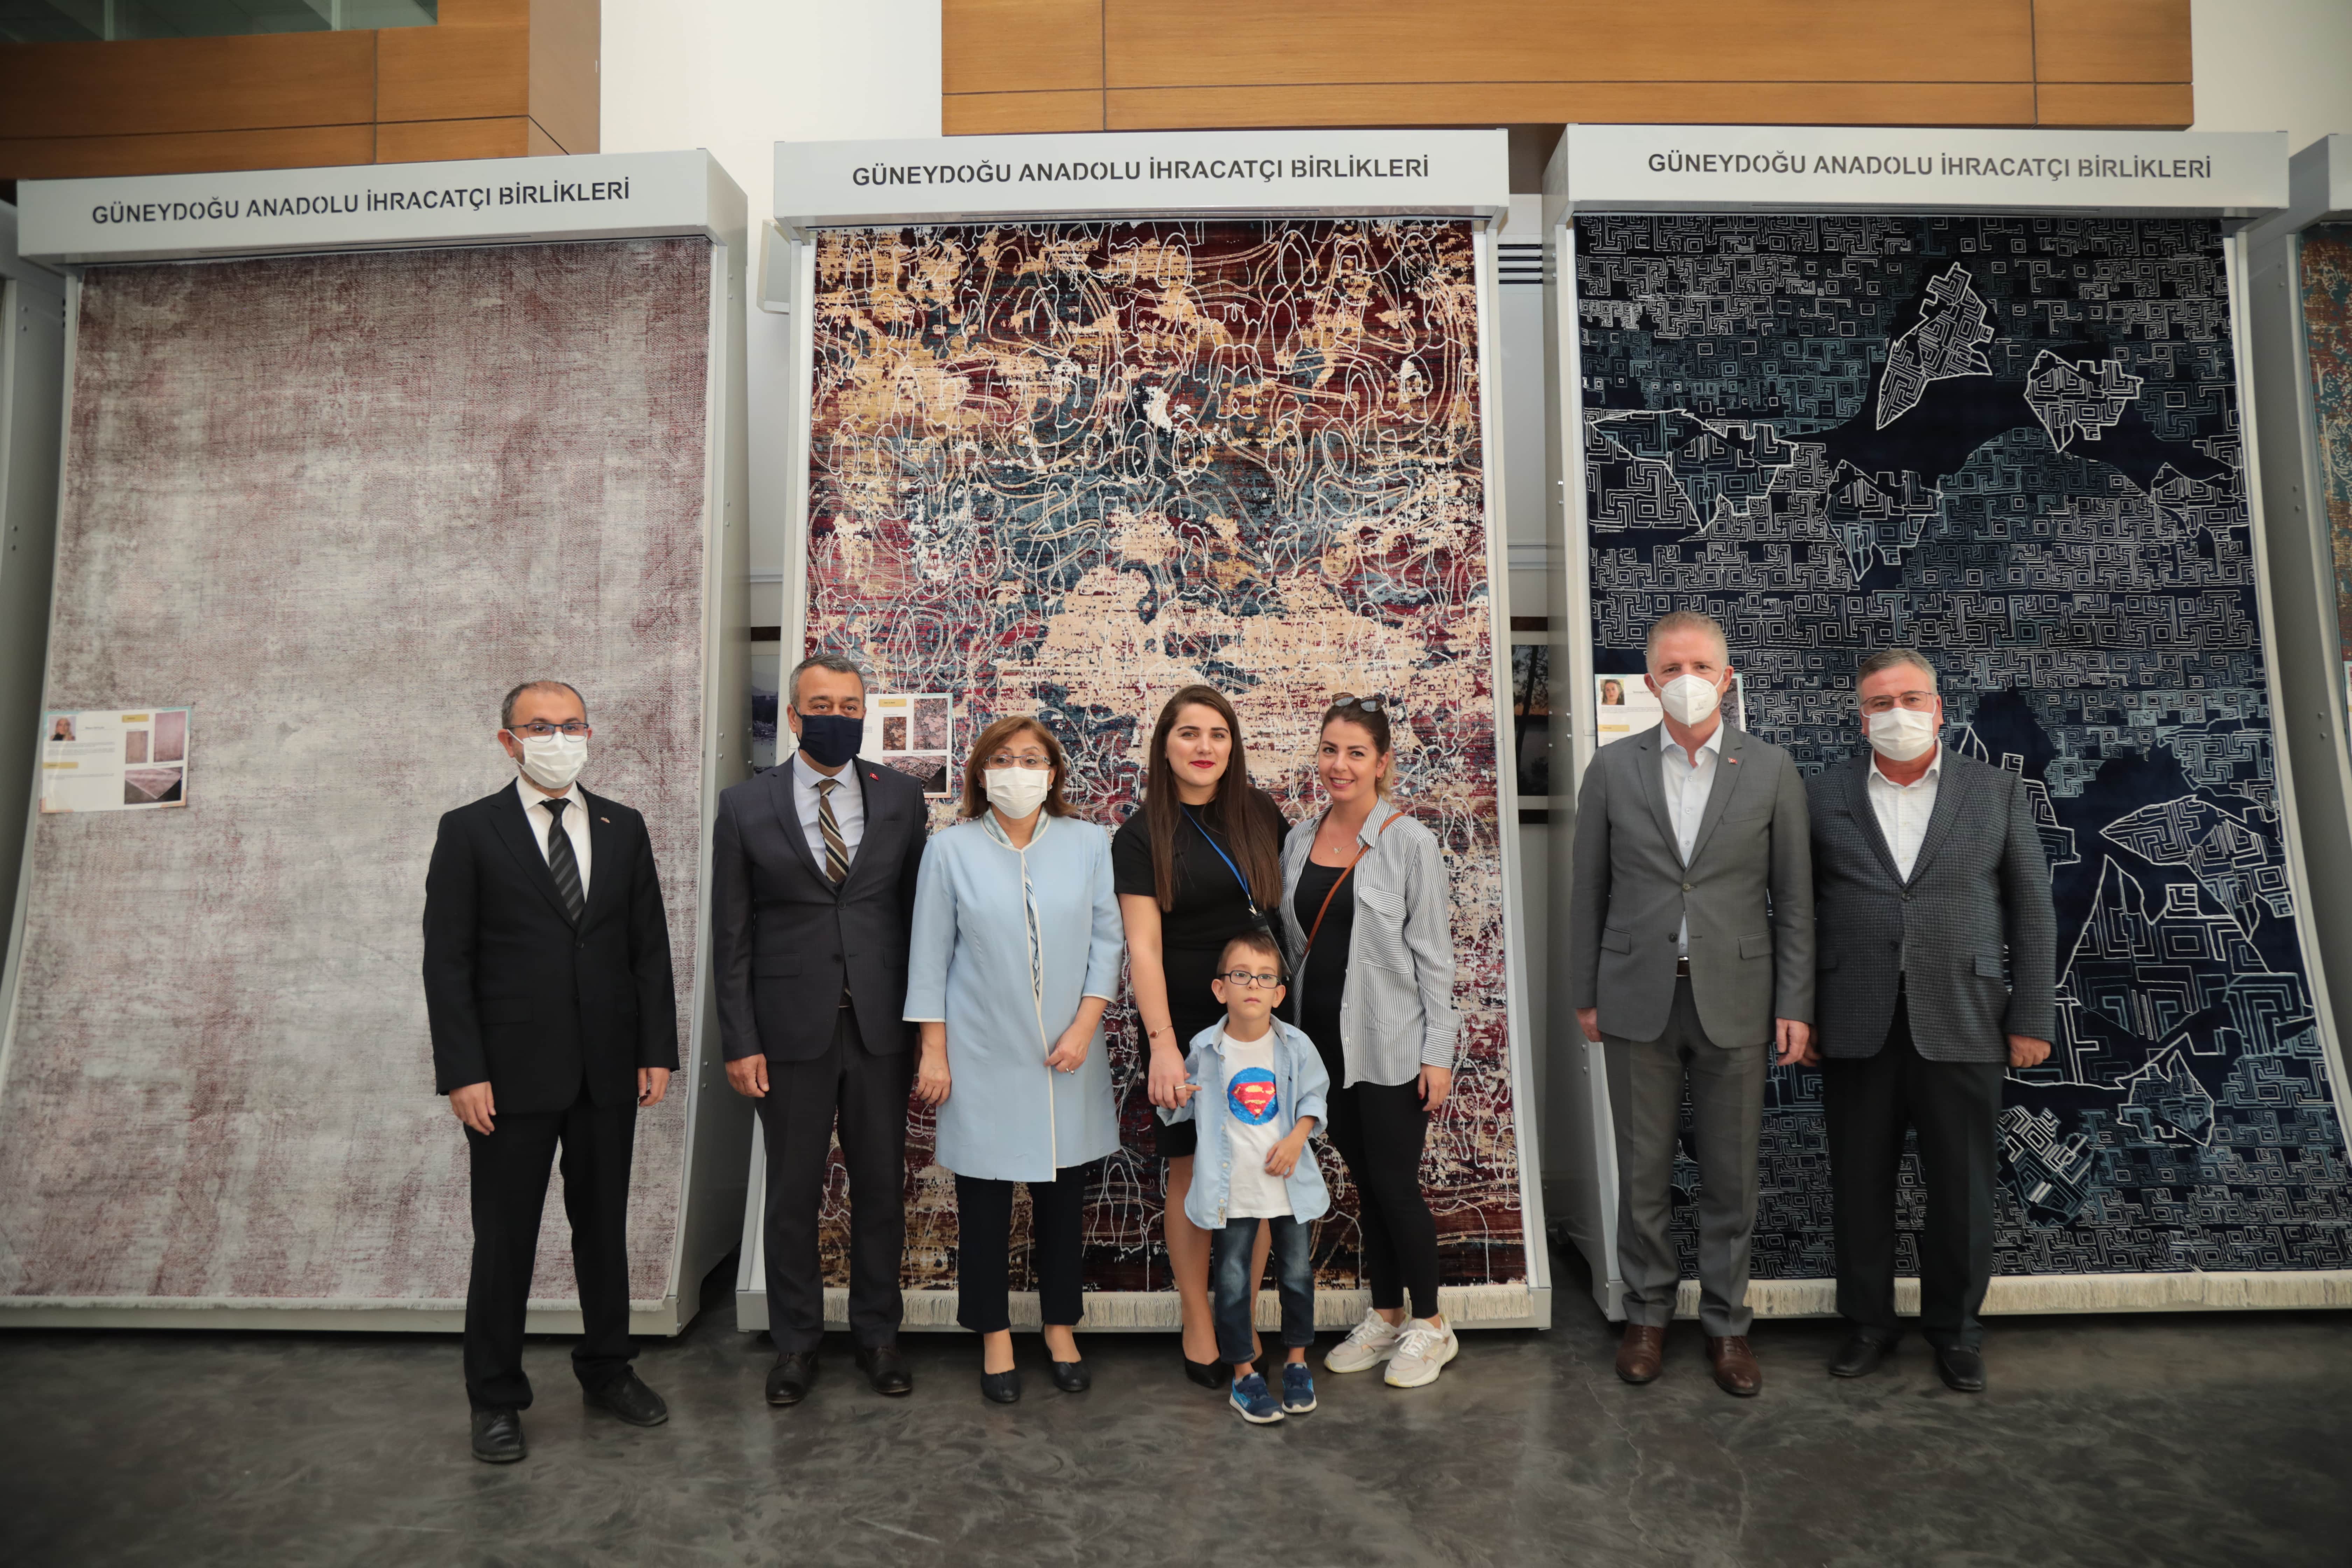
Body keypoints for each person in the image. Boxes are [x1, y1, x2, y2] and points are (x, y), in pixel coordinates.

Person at [423, 680, 678, 1464]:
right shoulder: (469, 830)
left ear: (590, 735)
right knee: (505, 1240)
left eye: (571, 725)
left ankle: (608, 1368)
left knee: (603, 1229)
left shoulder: (623, 825)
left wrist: (656, 1049)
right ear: (508, 741)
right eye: (540, 727)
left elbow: (647, 947)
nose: (558, 739)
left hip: (609, 1069)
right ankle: (495, 1398)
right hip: (507, 1076)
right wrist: (462, 1071)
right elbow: (447, 961)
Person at [1568, 609, 1814, 1397]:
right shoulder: (1612, 768)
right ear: (1649, 682)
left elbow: (1795, 900)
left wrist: (1795, 1001)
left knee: (1730, 1176)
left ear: (1726, 677)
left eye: (1701, 666)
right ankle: (1645, 1317)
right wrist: (1584, 992)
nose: (1687, 680)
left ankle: (1727, 1325)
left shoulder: (1771, 768)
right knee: (1642, 1171)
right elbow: (1588, 891)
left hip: (1738, 999)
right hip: (1634, 997)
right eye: (1671, 668)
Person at [1806, 649, 2055, 1394]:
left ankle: (1957, 1331)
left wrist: (2032, 1016)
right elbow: (1794, 910)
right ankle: (1869, 1324)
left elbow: (2034, 911)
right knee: (1859, 1185)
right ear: (1862, 718)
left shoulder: (1996, 790)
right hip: (1854, 1019)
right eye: (1880, 703)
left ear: (1939, 708)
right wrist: (1799, 1012)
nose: (1898, 713)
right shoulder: (1821, 793)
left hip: (1968, 1017)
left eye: (1912, 698)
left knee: (1963, 1189)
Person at [712, 652, 927, 1406]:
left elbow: (920, 919)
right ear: (795, 715)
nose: (837, 716)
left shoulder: (902, 796)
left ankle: (878, 1337)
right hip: (786, 1035)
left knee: (881, 1190)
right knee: (792, 1195)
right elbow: (732, 935)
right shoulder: (745, 805)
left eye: (850, 705)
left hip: (880, 1031)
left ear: (865, 712)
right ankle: (796, 1343)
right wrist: (740, 1040)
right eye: (822, 705)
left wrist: (927, 1030)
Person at [905, 715, 1125, 1404]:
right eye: (1002, 758)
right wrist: (934, 1052)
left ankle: (1060, 1329)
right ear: (981, 772)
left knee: (1063, 1202)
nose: (1017, 771)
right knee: (985, 1204)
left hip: (1068, 1052)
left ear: (1053, 772)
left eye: (1032, 758)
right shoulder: (950, 850)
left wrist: (1085, 1027)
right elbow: (929, 955)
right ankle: (994, 1335)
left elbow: (1109, 942)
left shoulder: (1089, 843)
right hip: (980, 1053)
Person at [1278, 694, 1462, 1389]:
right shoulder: (1299, 839)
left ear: (1382, 763)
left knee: (1395, 1185)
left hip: (1391, 1047)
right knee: (1365, 1185)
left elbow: (1436, 959)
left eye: (1356, 753)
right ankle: (1386, 1314)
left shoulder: (1409, 842)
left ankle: (1433, 1324)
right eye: (1330, 750)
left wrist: (1437, 1053)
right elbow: (1293, 946)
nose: (1340, 764)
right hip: (1320, 1047)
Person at [1113, 684, 1290, 1383]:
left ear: (1233, 745)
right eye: (1188, 733)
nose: (1204, 747)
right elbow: (1143, 948)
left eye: (1218, 734)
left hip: (1263, 1022)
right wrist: (1162, 1043)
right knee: (1189, 1170)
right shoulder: (1139, 835)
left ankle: (1240, 1314)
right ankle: (1196, 1318)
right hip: (1185, 1028)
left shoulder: (1261, 813)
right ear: (1165, 747)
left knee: (1259, 1169)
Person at [1161, 929, 1330, 1425]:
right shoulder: (1206, 1048)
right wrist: (1175, 1098)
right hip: (1232, 1192)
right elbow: (1181, 1108)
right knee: (1232, 1282)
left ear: (1279, 993)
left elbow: (1315, 1098)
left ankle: (1297, 1364)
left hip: (1287, 1189)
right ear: (1221, 989)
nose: (1253, 985)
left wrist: (1297, 1138)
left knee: (1297, 1277)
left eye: (1264, 977)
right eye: (1241, 976)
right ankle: (1243, 1376)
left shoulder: (1295, 1046)